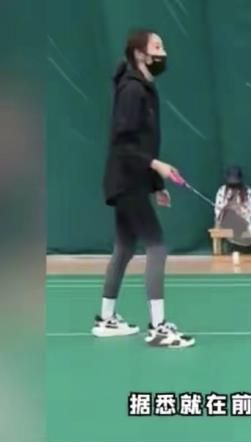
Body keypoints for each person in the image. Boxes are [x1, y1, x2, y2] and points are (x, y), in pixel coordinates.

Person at [94, 29, 195, 348]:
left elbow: (143, 144)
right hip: (126, 181)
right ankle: (158, 328)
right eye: (157, 47)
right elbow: (123, 144)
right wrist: (156, 166)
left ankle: (106, 319)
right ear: (140, 53)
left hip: (131, 180)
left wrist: (156, 184)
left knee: (125, 247)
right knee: (156, 245)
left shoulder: (144, 89)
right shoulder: (132, 90)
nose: (163, 53)